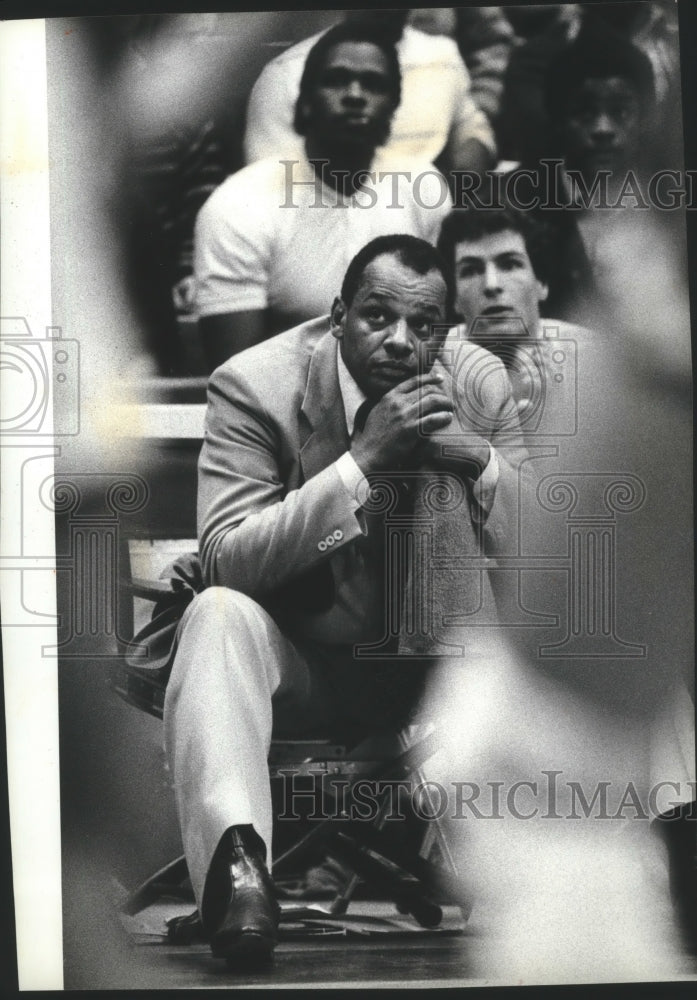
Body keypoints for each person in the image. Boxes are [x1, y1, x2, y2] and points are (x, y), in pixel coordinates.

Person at [163, 234, 529, 967]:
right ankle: (238, 876)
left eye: (423, 326)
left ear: (446, 331)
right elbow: (228, 558)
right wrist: (358, 466)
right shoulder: (252, 383)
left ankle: (622, 856)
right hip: (307, 665)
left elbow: (551, 553)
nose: (399, 341)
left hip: (443, 669)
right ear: (337, 315)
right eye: (376, 317)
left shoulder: (474, 379)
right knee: (215, 613)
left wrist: (480, 464)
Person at [433, 203, 696, 964]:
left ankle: (671, 846)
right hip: (475, 622)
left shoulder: (604, 362)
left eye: (508, 265)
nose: (492, 285)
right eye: (471, 271)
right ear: (450, 295)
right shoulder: (428, 367)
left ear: (542, 281)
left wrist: (487, 465)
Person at [194, 21, 453, 371]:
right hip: (286, 414)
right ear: (304, 105)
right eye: (336, 80)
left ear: (393, 110)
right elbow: (236, 376)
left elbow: (436, 337)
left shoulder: (424, 188)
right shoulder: (240, 204)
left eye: (374, 85)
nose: (355, 95)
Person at [242, 10, 496, 174]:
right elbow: (271, 182)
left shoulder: (441, 55)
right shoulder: (286, 73)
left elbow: (468, 122)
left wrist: (473, 148)